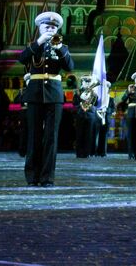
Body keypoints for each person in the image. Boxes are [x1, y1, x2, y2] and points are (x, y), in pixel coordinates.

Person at [19, 11, 73, 187]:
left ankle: (47, 177)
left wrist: (60, 50)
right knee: (34, 135)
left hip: (55, 95)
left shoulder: (61, 47)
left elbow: (70, 67)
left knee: (51, 137)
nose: (50, 30)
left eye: (53, 27)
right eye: (47, 27)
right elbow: (22, 59)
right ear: (40, 28)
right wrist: (40, 42)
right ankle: (32, 176)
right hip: (34, 93)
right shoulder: (33, 46)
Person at [74, 74, 98, 158]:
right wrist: (81, 104)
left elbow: (96, 104)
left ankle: (87, 153)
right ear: (82, 83)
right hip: (80, 114)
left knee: (89, 135)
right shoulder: (77, 92)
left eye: (89, 82)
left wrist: (89, 104)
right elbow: (75, 104)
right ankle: (79, 153)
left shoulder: (94, 93)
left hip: (90, 115)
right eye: (85, 82)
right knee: (79, 134)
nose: (87, 84)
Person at [121, 72, 136, 159]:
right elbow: (123, 100)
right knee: (131, 134)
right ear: (134, 80)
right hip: (131, 114)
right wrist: (128, 93)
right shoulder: (130, 88)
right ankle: (131, 154)